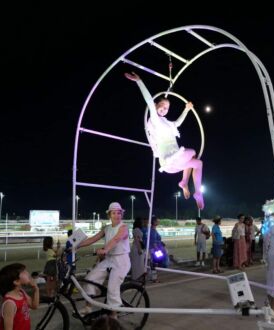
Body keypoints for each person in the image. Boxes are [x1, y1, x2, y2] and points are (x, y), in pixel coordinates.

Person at [125, 71, 205, 210]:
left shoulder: (167, 123)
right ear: (156, 105)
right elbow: (149, 100)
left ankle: (193, 189)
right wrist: (139, 81)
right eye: (162, 106)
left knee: (198, 163)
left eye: (167, 108)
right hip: (168, 160)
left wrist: (187, 109)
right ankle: (185, 182)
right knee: (191, 152)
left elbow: (178, 123)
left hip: (175, 163)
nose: (164, 109)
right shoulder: (155, 120)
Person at [77, 202, 131, 318]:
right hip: (109, 259)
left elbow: (116, 239)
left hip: (121, 261)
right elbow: (92, 239)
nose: (117, 215)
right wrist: (76, 246)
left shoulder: (124, 228)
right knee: (90, 278)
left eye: (119, 213)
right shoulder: (106, 228)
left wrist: (105, 249)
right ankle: (88, 307)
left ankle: (114, 316)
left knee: (112, 288)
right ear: (109, 215)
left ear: (121, 214)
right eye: (114, 213)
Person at [0, 263, 39, 330]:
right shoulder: (10, 303)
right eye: (24, 272)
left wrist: (36, 289)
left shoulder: (21, 293)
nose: (27, 273)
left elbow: (34, 305)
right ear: (16, 281)